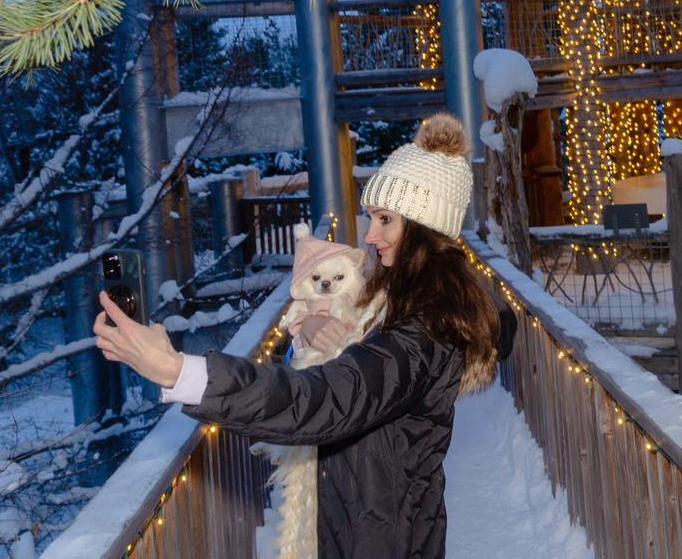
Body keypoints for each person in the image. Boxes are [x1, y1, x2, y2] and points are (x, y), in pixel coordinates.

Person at [95, 114, 513, 559]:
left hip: (380, 540)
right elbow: (313, 364)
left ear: (424, 227)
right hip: (362, 523)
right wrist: (306, 327)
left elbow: (323, 397)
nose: (370, 236)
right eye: (371, 218)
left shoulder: (427, 331)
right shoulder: (400, 300)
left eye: (385, 220)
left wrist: (182, 372)